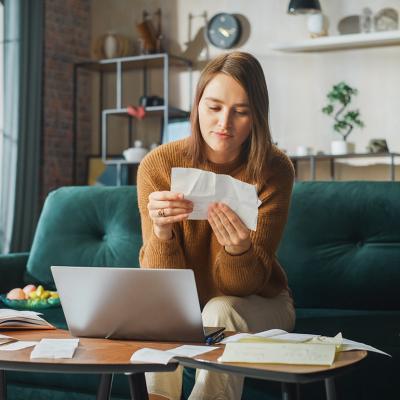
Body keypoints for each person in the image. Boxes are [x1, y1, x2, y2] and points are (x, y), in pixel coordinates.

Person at [137, 51, 295, 400]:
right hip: (184, 306)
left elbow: (241, 286)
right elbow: (163, 287)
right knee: (157, 312)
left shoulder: (274, 169)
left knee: (220, 308)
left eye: (241, 111)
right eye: (214, 107)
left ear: (256, 117)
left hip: (258, 301)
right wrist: (161, 232)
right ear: (196, 108)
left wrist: (238, 249)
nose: (225, 122)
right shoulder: (157, 165)